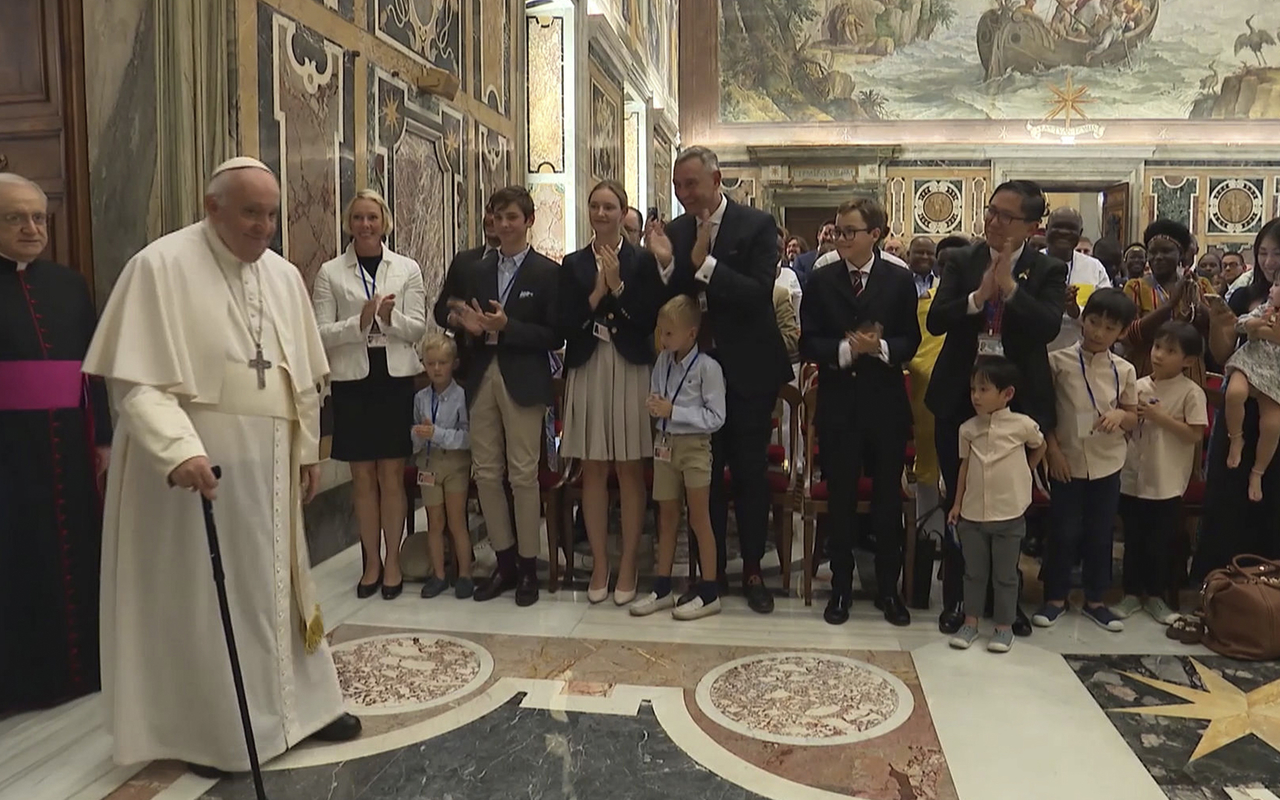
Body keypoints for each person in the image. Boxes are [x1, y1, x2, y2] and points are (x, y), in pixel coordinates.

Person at [82, 157, 359, 776]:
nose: (264, 227)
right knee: (211, 596)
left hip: (271, 469)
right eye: (250, 213)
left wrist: (306, 450)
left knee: (282, 585)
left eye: (271, 214)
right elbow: (138, 384)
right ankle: (213, 731)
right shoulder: (159, 267)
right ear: (213, 208)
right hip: (200, 471)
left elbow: (300, 378)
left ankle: (303, 710)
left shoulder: (282, 276)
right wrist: (178, 449)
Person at [644, 146, 792, 614]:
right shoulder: (676, 230)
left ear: (716, 178)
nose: (684, 194)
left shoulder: (757, 225)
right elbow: (673, 303)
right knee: (702, 476)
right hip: (693, 373)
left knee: (749, 472)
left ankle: (752, 569)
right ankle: (708, 574)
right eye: (677, 186)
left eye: (691, 184)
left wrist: (705, 264)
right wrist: (668, 264)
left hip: (748, 368)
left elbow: (757, 293)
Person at [926, 180, 1066, 636]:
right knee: (960, 499)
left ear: (1032, 226)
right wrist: (978, 298)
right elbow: (937, 319)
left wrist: (1011, 290)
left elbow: (1047, 327)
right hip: (959, 395)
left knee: (1009, 505)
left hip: (1016, 402)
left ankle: (1006, 603)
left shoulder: (1047, 269)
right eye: (991, 211)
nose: (994, 222)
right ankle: (957, 599)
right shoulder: (962, 259)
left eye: (1006, 216)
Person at [0, 173, 111, 714]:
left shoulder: (70, 285)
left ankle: (82, 668)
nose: (31, 228)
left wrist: (104, 437)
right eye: (14, 218)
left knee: (75, 550)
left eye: (38, 218)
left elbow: (94, 368)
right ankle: (23, 682)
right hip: (10, 453)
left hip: (70, 444)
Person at [799, 196, 921, 627]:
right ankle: (841, 589)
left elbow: (910, 339)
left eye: (850, 231)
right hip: (839, 404)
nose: (841, 238)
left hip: (884, 404)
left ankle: (889, 589)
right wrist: (844, 350)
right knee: (841, 500)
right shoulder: (822, 279)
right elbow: (807, 341)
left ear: (875, 234)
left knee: (887, 499)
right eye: (837, 231)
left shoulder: (898, 279)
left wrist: (880, 348)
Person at [313, 189, 426, 599]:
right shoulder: (330, 272)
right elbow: (320, 334)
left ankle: (393, 561)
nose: (365, 225)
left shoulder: (407, 268)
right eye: (358, 217)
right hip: (352, 383)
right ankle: (371, 563)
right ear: (349, 223)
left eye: (372, 217)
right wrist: (358, 323)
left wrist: (389, 318)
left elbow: (417, 328)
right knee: (362, 477)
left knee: (391, 475)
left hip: (394, 380)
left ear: (384, 223)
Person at [451, 186, 561, 606]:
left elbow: (555, 335)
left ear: (529, 221)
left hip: (523, 378)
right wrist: (465, 323)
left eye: (512, 217)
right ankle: (505, 561)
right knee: (485, 472)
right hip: (481, 375)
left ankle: (529, 566)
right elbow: (449, 308)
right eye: (498, 217)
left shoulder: (546, 272)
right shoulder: (475, 268)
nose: (504, 224)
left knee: (523, 474)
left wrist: (508, 327)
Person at [558, 180, 662, 604]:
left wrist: (618, 288)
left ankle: (628, 563)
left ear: (623, 212)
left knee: (630, 467)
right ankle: (600, 563)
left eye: (609, 207)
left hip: (631, 367)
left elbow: (650, 319)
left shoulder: (643, 260)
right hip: (589, 365)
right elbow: (564, 323)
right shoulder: (573, 263)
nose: (601, 214)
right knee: (594, 467)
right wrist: (597, 293)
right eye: (595, 206)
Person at [1036, 288, 1139, 632]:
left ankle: (1096, 599)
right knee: (1063, 530)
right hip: (1066, 459)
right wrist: (1052, 451)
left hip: (1108, 461)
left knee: (1100, 531)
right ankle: (1055, 597)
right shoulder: (1057, 362)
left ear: (1121, 332)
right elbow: (1045, 413)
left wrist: (1120, 416)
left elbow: (1132, 415)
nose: (1098, 332)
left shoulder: (1124, 370)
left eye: (1110, 328)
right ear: (1083, 320)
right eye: (1094, 322)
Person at [1193, 218, 1280, 583]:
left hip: (1276, 402)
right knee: (1230, 495)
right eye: (1263, 253)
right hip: (1240, 412)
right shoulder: (1245, 295)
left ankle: (1268, 592)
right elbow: (1222, 354)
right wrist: (1219, 322)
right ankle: (1222, 588)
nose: (1269, 262)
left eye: (1277, 253)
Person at [630, 295, 726, 620]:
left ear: (691, 334)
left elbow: (716, 417)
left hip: (695, 448)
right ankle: (662, 587)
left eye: (669, 333)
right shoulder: (662, 362)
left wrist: (674, 411)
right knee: (667, 517)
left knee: (699, 518)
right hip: (665, 444)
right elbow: (657, 395)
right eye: (661, 332)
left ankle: (710, 591)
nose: (663, 339)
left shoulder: (708, 368)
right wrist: (655, 405)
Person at [946, 356, 1046, 653]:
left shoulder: (1023, 425)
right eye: (973, 389)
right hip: (972, 514)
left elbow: (1040, 445)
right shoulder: (968, 429)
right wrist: (957, 504)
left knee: (1005, 575)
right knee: (974, 573)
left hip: (1009, 514)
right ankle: (971, 622)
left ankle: (1004, 627)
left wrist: (1026, 470)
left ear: (1007, 393)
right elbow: (964, 467)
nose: (976, 396)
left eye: (984, 389)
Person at [1111, 320, 1206, 625]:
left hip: (1166, 481)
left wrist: (1160, 417)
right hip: (1132, 476)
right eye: (1157, 347)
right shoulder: (1137, 385)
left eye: (1170, 351)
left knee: (1159, 542)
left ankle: (1155, 596)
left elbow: (1194, 435)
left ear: (1188, 360)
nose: (1159, 355)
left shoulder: (1191, 393)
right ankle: (1130, 593)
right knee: (1133, 540)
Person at [411, 334, 473, 599]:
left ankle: (465, 574)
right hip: (428, 463)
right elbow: (414, 434)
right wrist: (418, 434)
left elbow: (467, 437)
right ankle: (438, 574)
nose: (436, 369)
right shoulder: (420, 398)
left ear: (454, 364)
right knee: (434, 522)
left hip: (455, 463)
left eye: (443, 363)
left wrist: (437, 434)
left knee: (456, 521)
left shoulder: (461, 396)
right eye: (431, 363)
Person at [1121, 220, 1213, 384]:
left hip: (1190, 374)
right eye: (1152, 252)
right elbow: (1128, 335)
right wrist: (1170, 304)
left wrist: (1196, 301)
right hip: (1146, 373)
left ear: (1181, 254)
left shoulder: (1201, 285)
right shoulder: (1135, 287)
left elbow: (1217, 328)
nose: (1158, 257)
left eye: (1166, 251)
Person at [1223, 282, 1280, 501]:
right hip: (1249, 362)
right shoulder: (1264, 308)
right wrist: (1258, 324)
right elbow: (1240, 324)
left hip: (1274, 375)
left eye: (1278, 285)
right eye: (1274, 284)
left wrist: (1261, 333)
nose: (1272, 289)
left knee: (1273, 425)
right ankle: (1236, 438)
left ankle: (1258, 471)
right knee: (1234, 393)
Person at [435, 211, 499, 381]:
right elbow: (441, 309)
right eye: (489, 212)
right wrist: (456, 318)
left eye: (499, 214)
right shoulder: (464, 260)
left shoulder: (533, 268)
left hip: (511, 365)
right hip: (468, 365)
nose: (491, 219)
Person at [1044, 207, 1112, 352]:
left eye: (1071, 228)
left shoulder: (1094, 268)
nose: (1064, 232)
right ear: (1046, 229)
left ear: (1080, 233)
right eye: (1057, 226)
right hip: (1038, 350)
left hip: (1080, 354)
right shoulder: (1030, 263)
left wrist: (1076, 311)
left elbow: (1106, 311)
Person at [791, 220, 837, 288]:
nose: (828, 238)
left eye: (833, 235)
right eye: (826, 234)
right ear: (818, 235)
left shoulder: (843, 260)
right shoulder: (801, 260)